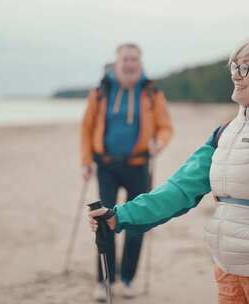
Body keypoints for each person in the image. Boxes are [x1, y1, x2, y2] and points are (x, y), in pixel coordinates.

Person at [89, 32, 249, 304]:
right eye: (235, 65)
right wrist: (121, 216)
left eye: (246, 67)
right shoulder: (224, 133)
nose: (236, 74)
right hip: (228, 273)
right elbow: (179, 189)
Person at [80, 43, 173, 301]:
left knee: (137, 222)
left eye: (134, 59)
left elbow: (166, 127)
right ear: (117, 62)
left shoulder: (151, 92)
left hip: (138, 166)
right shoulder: (101, 92)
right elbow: (86, 128)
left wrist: (159, 143)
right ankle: (105, 280)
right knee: (103, 222)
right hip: (106, 166)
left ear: (140, 63)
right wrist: (86, 161)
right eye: (125, 59)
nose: (130, 64)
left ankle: (129, 279)